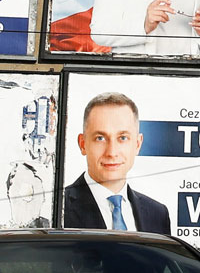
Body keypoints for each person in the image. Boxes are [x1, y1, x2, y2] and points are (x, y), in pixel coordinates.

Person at [62, 92, 171, 233]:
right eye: (100, 138)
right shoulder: (58, 208)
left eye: (123, 138)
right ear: (83, 144)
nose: (112, 152)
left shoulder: (157, 214)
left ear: (138, 144)